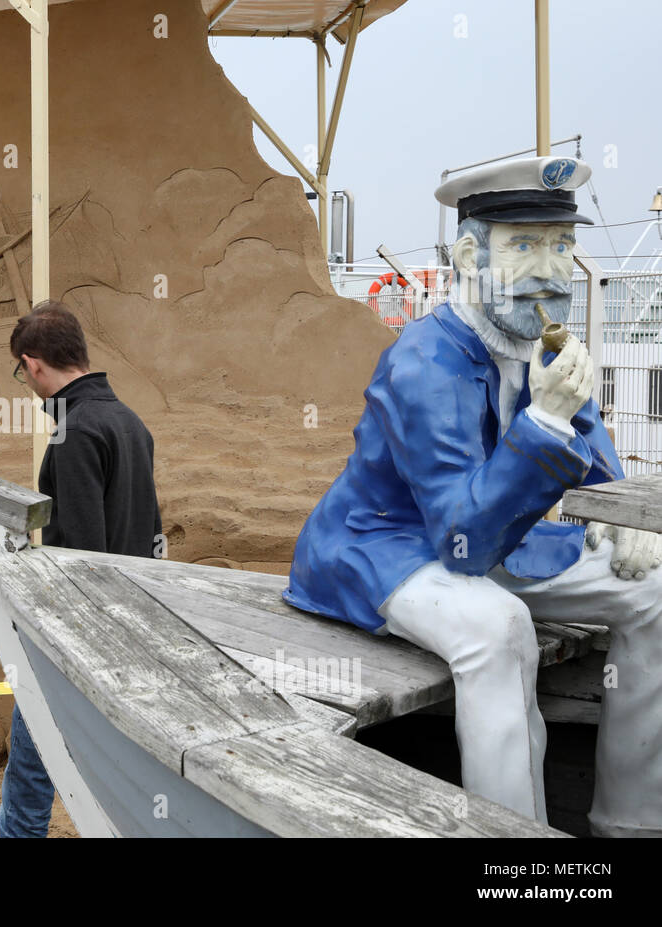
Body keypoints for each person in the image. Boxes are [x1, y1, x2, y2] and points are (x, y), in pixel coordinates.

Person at [284, 157, 662, 836]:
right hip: (386, 543)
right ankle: (513, 848)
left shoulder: (542, 345)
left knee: (656, 584)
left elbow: (598, 463)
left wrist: (623, 517)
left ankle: (632, 822)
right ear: (468, 255)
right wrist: (543, 423)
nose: (551, 269)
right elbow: (462, 542)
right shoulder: (423, 361)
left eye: (561, 244)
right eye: (523, 245)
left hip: (490, 535)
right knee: (497, 628)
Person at [0, 300, 162, 837]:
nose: (26, 382)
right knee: (116, 778)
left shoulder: (75, 434)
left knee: (30, 773)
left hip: (77, 636)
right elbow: (151, 532)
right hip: (132, 624)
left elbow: (80, 556)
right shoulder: (130, 422)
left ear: (33, 364)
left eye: (21, 372)